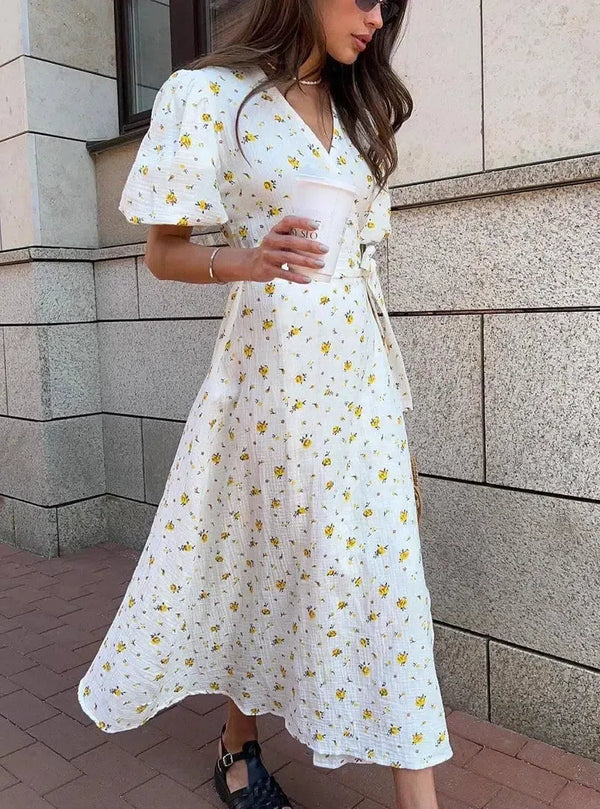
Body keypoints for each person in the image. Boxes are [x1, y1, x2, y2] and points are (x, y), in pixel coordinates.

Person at [77, 1, 454, 807]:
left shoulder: (358, 113)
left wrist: (388, 406)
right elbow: (163, 253)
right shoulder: (208, 95)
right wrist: (245, 259)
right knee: (260, 552)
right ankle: (238, 740)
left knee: (390, 579)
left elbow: (357, 265)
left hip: (359, 384)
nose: (377, 18)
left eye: (390, 5)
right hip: (267, 377)